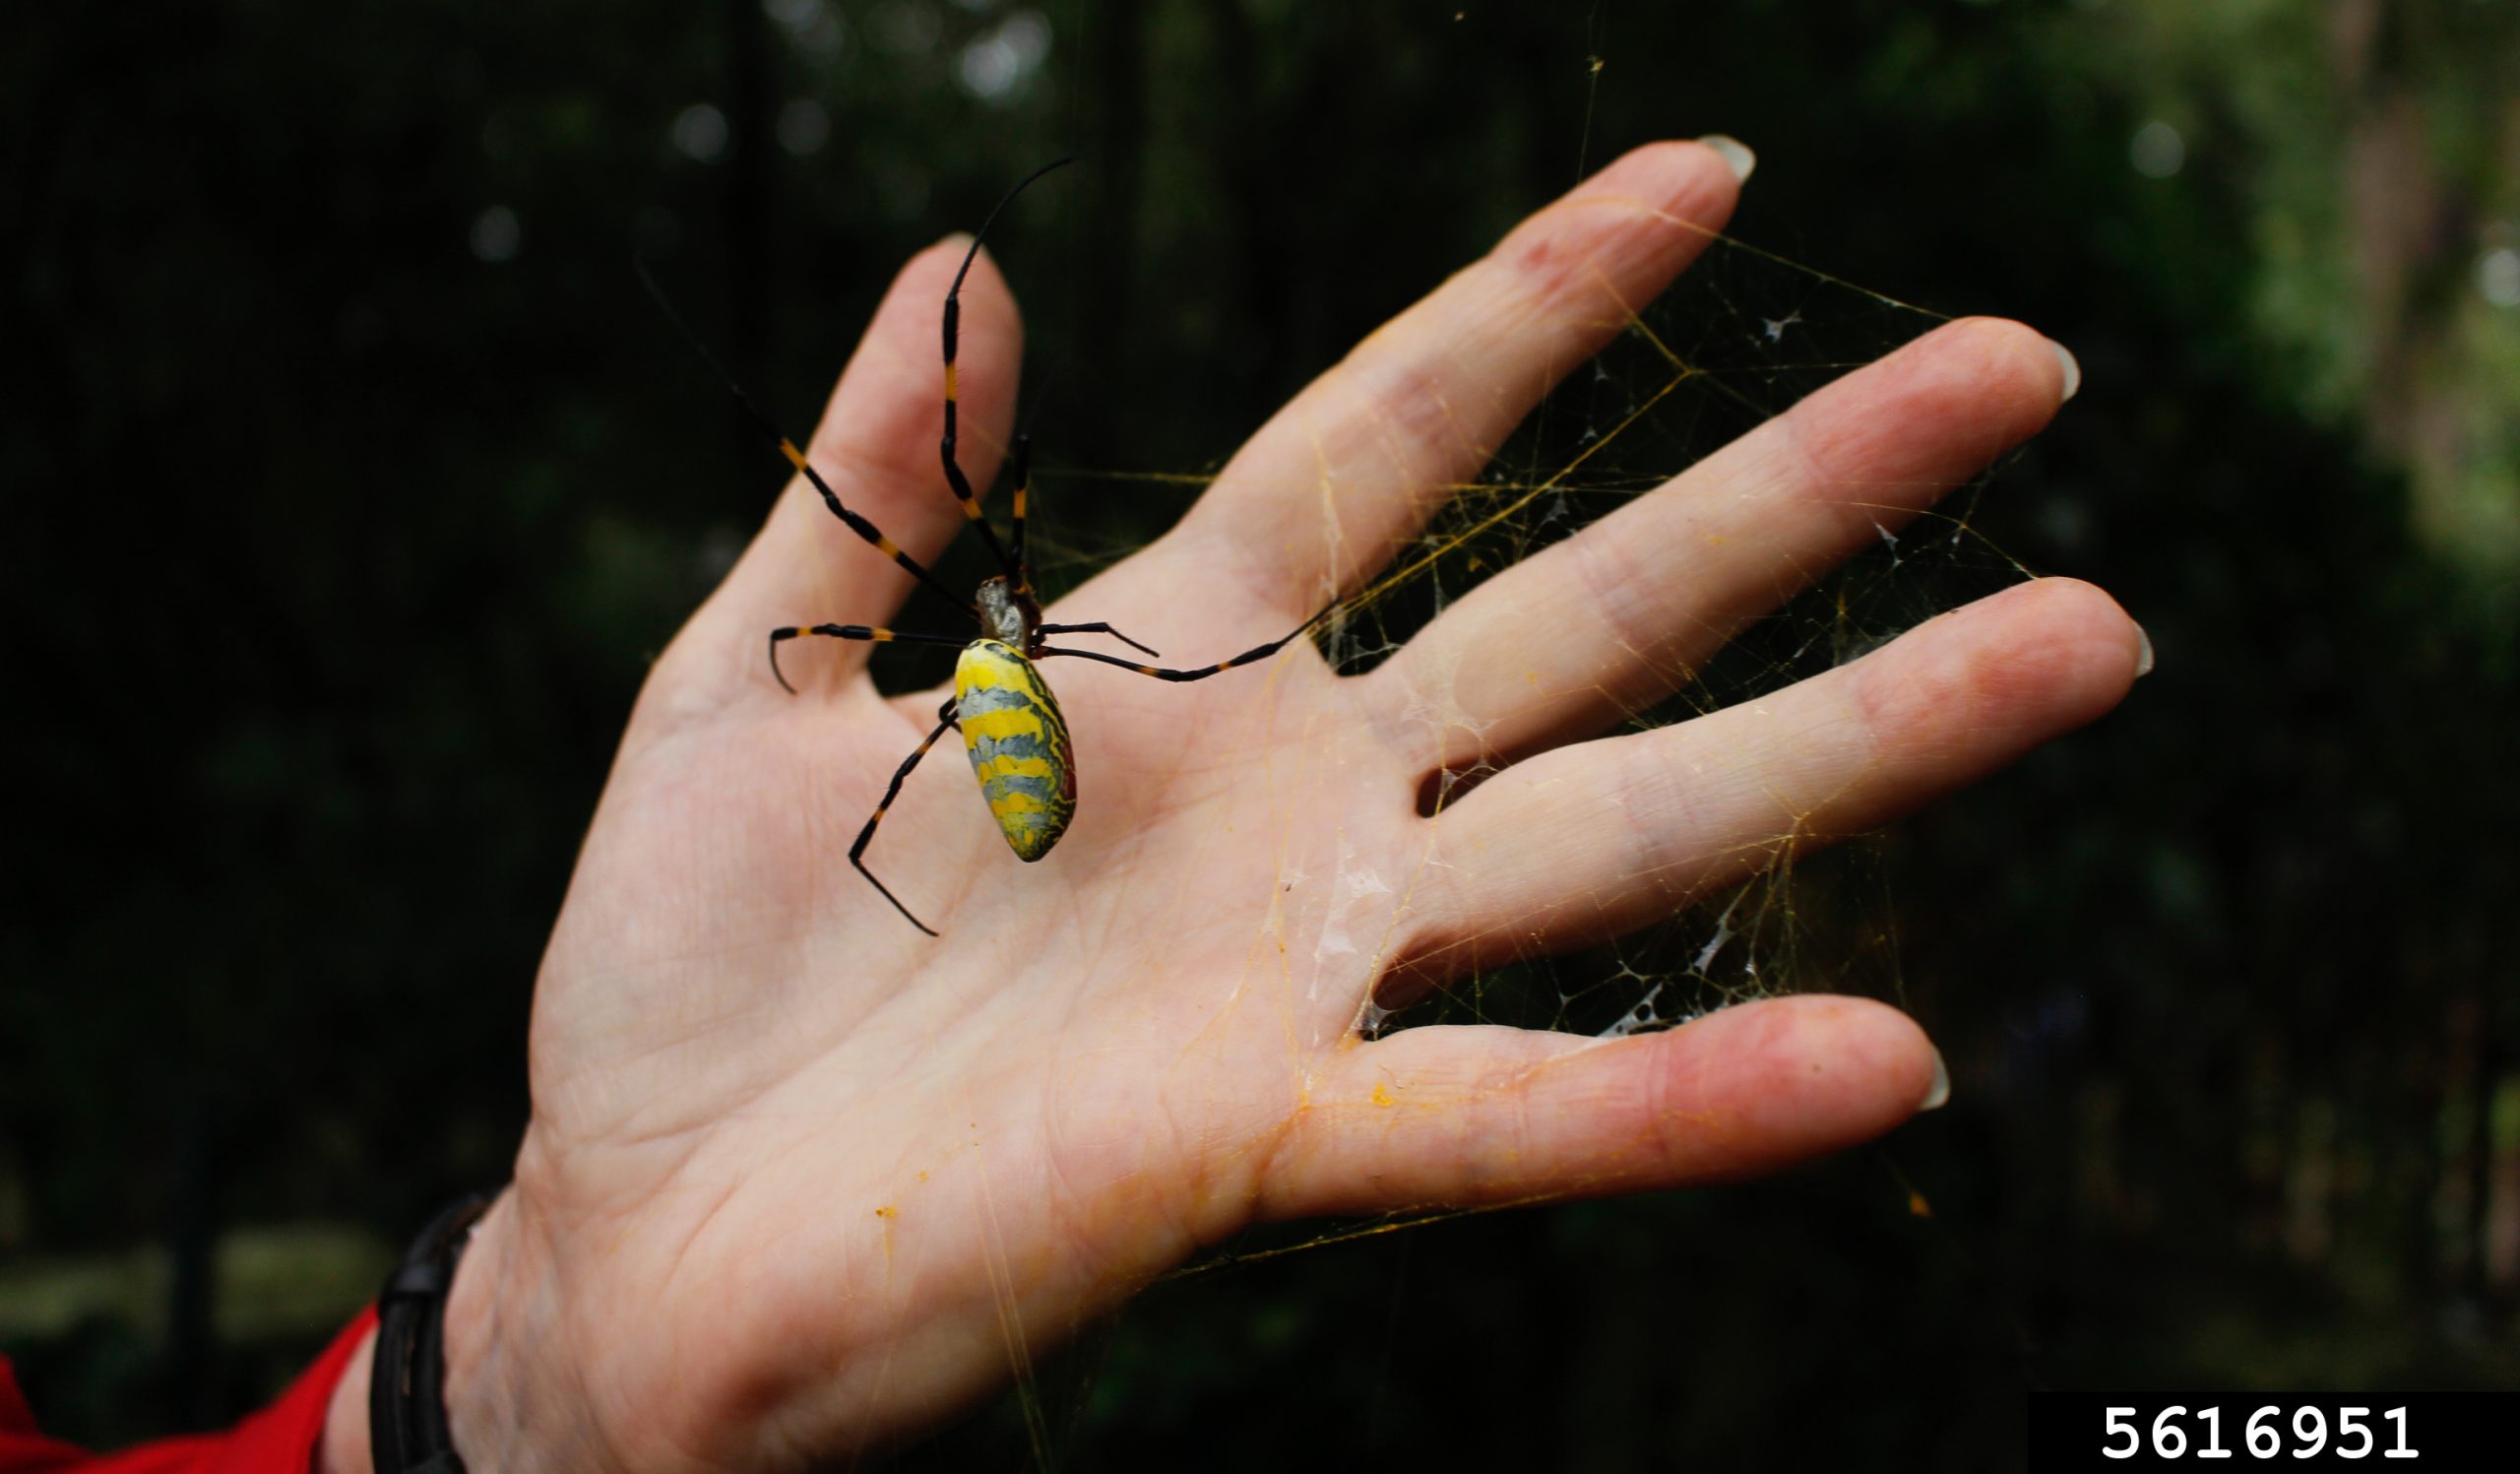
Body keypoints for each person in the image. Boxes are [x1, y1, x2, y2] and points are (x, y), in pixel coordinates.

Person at [0, 138, 2146, 1471]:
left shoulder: (1007, 675)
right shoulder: (1019, 670)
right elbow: (1051, 668)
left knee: (1051, 690)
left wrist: (517, 1405)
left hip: (1000, 750)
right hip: (1013, 735)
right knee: (1042, 689)